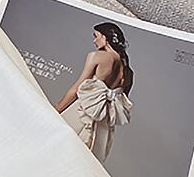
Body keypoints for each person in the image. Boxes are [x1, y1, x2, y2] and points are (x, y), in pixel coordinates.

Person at [54, 21, 134, 162]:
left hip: (81, 113)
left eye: (96, 36)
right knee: (80, 162)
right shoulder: (129, 73)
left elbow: (77, 88)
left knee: (57, 150)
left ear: (105, 37)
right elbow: (122, 101)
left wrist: (55, 110)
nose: (94, 41)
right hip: (103, 127)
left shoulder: (96, 56)